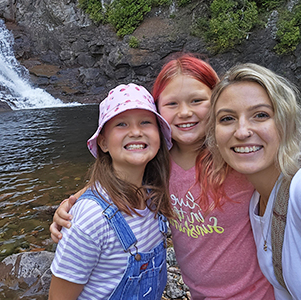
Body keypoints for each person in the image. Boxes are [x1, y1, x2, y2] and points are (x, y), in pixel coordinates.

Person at [50, 54, 274, 299]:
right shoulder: (158, 165)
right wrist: (73, 204)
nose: (185, 112)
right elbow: (115, 181)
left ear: (218, 103)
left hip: (258, 292)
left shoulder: (236, 156)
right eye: (172, 104)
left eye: (197, 100)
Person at [48, 83, 174, 300]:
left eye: (145, 122)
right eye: (121, 124)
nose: (136, 132)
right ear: (103, 143)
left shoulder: (156, 196)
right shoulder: (90, 218)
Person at [205, 62, 301, 299]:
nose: (242, 131)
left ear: (286, 122)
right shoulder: (257, 202)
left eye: (260, 115)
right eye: (227, 118)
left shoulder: (298, 189)